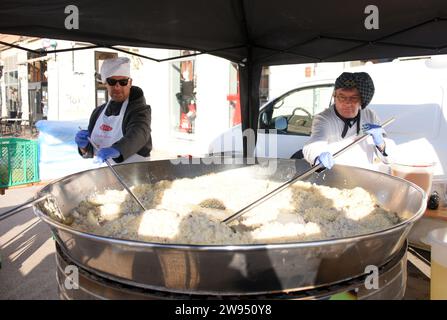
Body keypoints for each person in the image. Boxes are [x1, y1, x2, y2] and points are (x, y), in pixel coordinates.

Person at [303, 72, 392, 170]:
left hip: (365, 176)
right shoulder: (324, 119)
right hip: (336, 177)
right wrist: (317, 157)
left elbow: (388, 159)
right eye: (342, 97)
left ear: (361, 100)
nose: (347, 103)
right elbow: (313, 145)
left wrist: (381, 144)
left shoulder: (370, 115)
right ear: (334, 97)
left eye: (353, 98)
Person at [75, 57, 152, 163]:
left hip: (135, 174)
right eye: (112, 82)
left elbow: (139, 133)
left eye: (123, 82)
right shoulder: (97, 113)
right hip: (104, 174)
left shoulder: (139, 110)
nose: (117, 87)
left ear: (130, 83)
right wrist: (83, 146)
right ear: (105, 83)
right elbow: (90, 151)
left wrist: (118, 149)